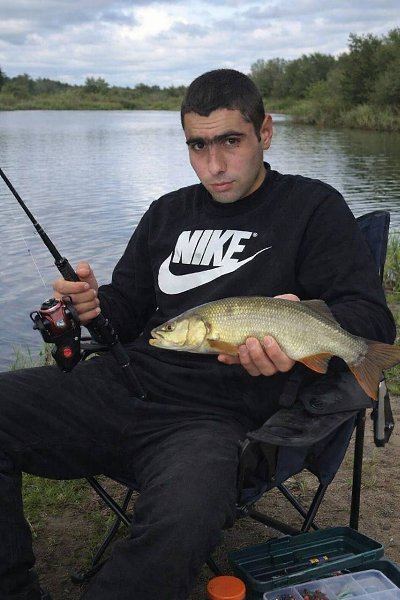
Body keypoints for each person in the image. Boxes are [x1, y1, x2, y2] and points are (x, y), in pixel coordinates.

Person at [0, 68, 396, 600]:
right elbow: (126, 309)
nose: (214, 164)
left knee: (182, 522)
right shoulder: (167, 211)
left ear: (265, 132)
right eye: (198, 145)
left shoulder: (312, 208)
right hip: (121, 384)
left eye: (231, 141)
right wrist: (93, 306)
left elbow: (372, 319)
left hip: (213, 421)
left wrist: (305, 329)